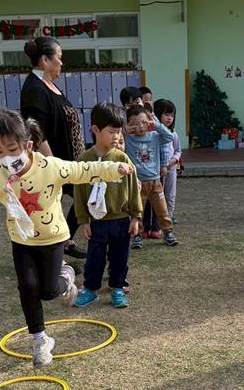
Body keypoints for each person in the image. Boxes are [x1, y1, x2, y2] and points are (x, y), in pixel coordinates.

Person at [0, 111, 133, 367]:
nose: (6, 157)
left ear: (28, 145)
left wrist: (114, 169)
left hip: (52, 239)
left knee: (48, 291)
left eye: (12, 149)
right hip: (22, 241)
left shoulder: (49, 167)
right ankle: (39, 339)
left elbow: (82, 170)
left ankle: (66, 276)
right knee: (27, 287)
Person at [20, 36, 88, 260]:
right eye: (59, 57)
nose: (62, 62)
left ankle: (64, 243)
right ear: (44, 60)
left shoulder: (48, 84)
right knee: (72, 201)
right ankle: (55, 251)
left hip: (71, 159)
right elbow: (37, 131)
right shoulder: (35, 88)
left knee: (78, 199)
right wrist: (54, 165)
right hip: (55, 162)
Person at [72, 103, 143, 309]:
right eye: (111, 132)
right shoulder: (85, 160)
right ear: (95, 130)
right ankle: (90, 289)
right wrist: (84, 221)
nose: (116, 137)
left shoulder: (122, 158)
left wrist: (135, 217)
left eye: (119, 132)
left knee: (120, 256)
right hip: (97, 221)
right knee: (95, 257)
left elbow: (133, 189)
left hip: (121, 221)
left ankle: (117, 288)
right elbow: (79, 192)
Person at [125, 104, 178, 247]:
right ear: (129, 124)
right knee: (137, 211)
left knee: (162, 209)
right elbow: (117, 140)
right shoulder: (128, 138)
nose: (141, 126)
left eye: (144, 122)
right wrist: (125, 130)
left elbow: (169, 136)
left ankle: (168, 232)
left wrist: (155, 124)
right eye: (136, 123)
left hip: (155, 181)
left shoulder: (154, 136)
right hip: (137, 183)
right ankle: (137, 235)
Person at [152, 98, 182, 227]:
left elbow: (178, 150)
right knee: (158, 194)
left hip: (171, 169)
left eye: (172, 115)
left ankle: (169, 215)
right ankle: (157, 218)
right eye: (166, 114)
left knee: (170, 193)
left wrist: (174, 160)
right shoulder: (153, 134)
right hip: (156, 170)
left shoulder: (173, 134)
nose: (169, 118)